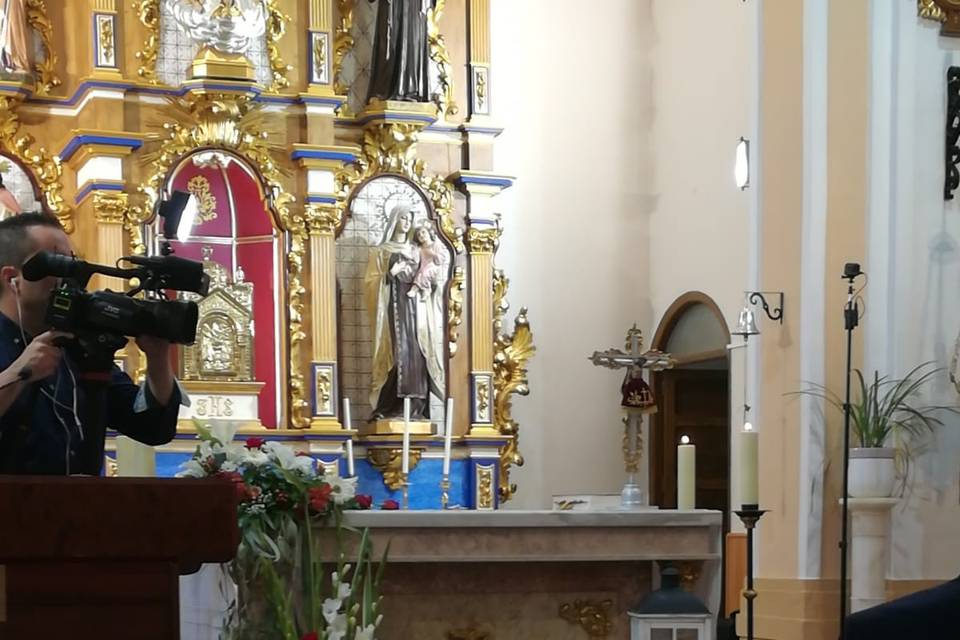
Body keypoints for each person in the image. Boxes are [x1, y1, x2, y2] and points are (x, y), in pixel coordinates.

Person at [0, 213, 184, 475]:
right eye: (55, 264)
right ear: (12, 279)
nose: (67, 277)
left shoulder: (80, 344)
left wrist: (158, 359)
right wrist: (18, 373)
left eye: (72, 263)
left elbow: (153, 428)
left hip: (78, 509)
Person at [364, 204, 445, 421]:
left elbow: (432, 276)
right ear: (394, 221)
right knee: (397, 356)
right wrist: (389, 275)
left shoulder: (416, 250)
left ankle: (416, 409)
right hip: (392, 311)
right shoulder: (380, 251)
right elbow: (371, 284)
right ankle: (389, 408)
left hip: (416, 311)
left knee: (417, 356)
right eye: (402, 218)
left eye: (410, 219)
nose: (407, 223)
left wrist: (432, 284)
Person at [365, 0, 434, 103]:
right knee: (389, 42)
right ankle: (385, 89)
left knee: (413, 41)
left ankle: (411, 90)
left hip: (415, 6)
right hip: (392, 4)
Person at [406, 222, 446, 300]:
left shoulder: (436, 245)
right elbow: (416, 259)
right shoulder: (420, 248)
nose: (421, 235)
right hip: (422, 268)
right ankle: (425, 289)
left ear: (429, 232)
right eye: (419, 235)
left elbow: (440, 261)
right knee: (421, 272)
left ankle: (416, 289)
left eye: (423, 232)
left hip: (434, 268)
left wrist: (433, 254)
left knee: (425, 271)